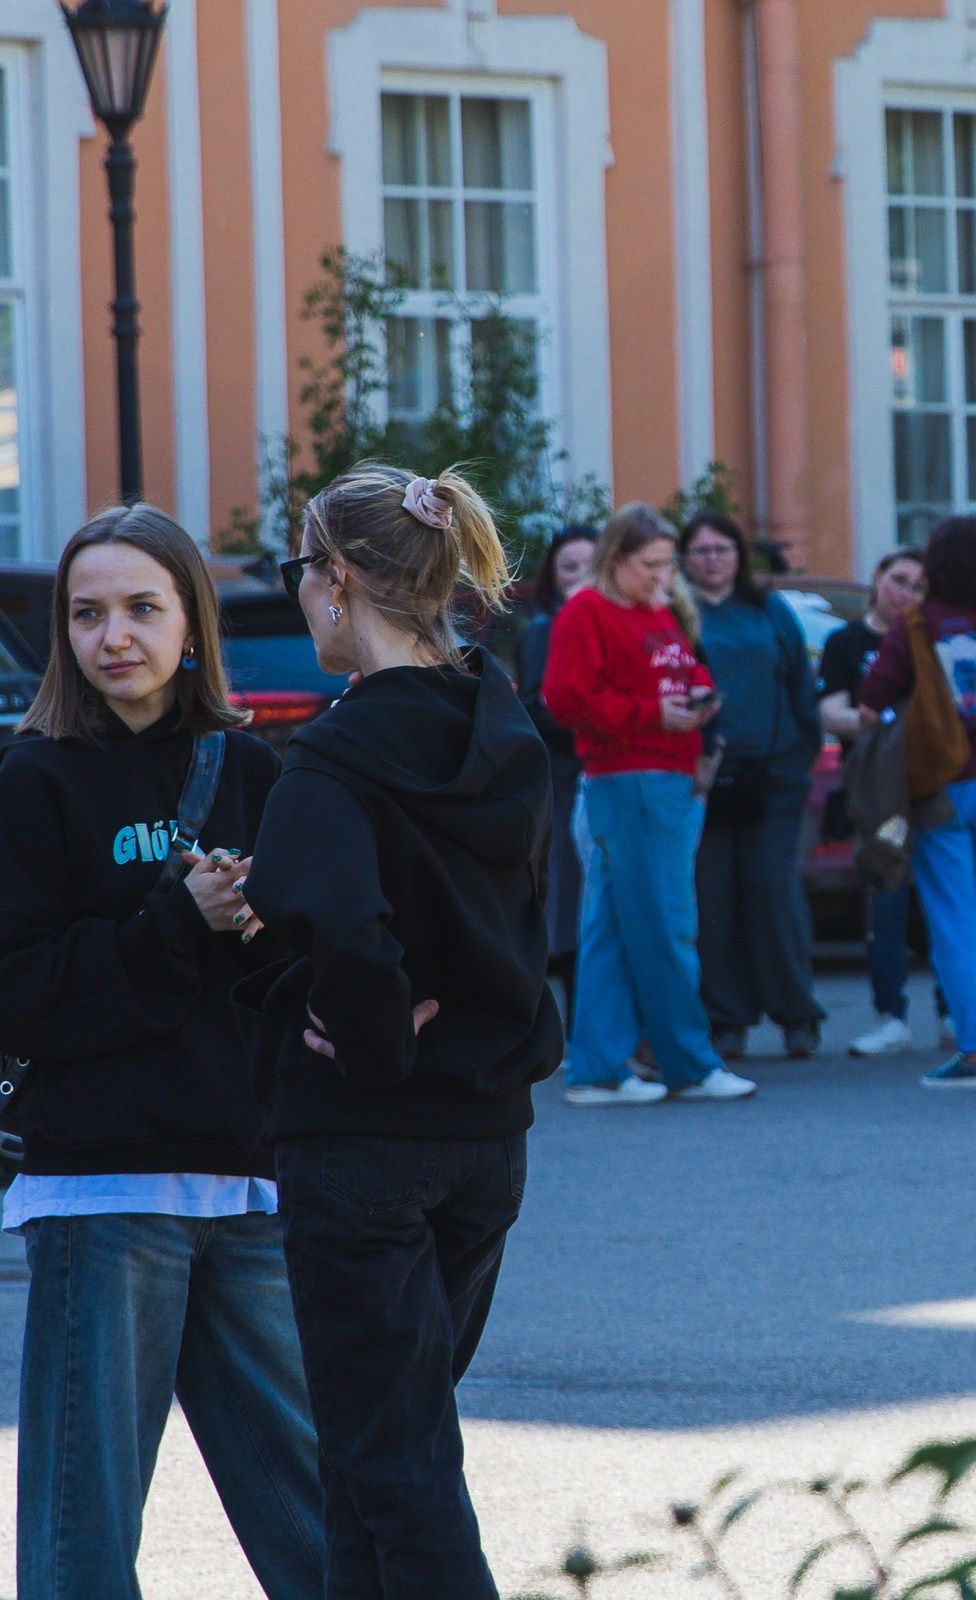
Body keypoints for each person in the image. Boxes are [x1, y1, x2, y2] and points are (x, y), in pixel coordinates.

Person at [243, 464, 563, 1600]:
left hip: (366, 1140)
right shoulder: (500, 724)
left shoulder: (335, 757)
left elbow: (336, 918)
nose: (298, 596)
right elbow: (528, 921)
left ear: (337, 583)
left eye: (300, 573)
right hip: (485, 1133)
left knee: (395, 1461)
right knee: (381, 1455)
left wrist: (371, 1035)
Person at [0, 506, 323, 1600]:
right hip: (101, 1189)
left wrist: (272, 938)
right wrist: (178, 923)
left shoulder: (255, 772)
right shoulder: (32, 781)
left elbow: (302, 979)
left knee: (322, 1516)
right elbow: (20, 996)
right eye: (87, 613)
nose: (114, 636)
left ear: (193, 621)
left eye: (143, 607)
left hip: (249, 1185)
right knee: (80, 1537)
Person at [545, 505, 755, 1105]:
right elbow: (565, 697)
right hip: (633, 777)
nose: (664, 576)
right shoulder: (590, 608)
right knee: (667, 925)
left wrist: (695, 698)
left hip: (654, 776)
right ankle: (688, 1064)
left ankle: (600, 1069)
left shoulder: (652, 608)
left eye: (669, 565)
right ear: (618, 559)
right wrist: (652, 715)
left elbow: (675, 672)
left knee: (611, 928)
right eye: (651, 565)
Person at [858, 514, 976, 1090]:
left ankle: (975, 1054)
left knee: (954, 922)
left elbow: (871, 701)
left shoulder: (916, 625)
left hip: (939, 789)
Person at [682, 510, 829, 1060]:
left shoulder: (770, 610)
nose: (712, 559)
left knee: (772, 891)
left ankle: (797, 1013)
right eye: (701, 551)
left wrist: (799, 758)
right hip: (703, 777)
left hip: (773, 776)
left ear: (739, 556)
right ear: (685, 559)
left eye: (722, 549)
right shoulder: (677, 613)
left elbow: (800, 689)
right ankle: (726, 1020)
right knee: (713, 899)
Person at [819, 548, 927, 1056]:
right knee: (884, 900)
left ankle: (955, 1013)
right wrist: (887, 723)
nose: (907, 592)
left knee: (940, 904)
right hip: (877, 795)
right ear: (877, 578)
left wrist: (875, 718)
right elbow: (831, 712)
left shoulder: (927, 638)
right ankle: (891, 1015)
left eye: (919, 585)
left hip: (927, 789)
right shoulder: (847, 641)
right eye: (899, 579)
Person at [515, 524, 598, 1016]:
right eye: (569, 567)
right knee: (570, 904)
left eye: (590, 565)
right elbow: (534, 706)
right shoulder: (545, 631)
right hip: (565, 780)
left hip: (607, 775)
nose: (580, 576)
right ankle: (577, 1024)